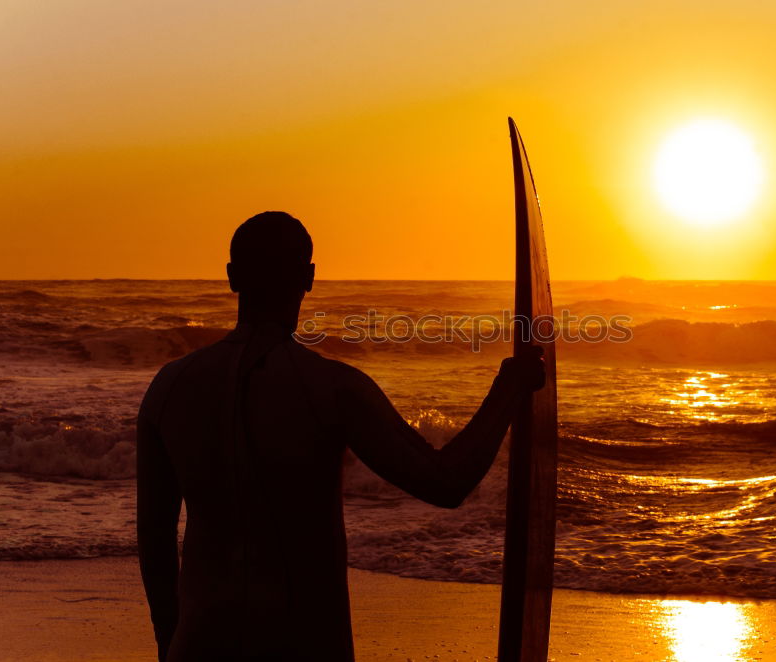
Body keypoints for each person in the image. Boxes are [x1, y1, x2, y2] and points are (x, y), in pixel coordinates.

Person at [136, 211, 545, 662]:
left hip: (198, 644)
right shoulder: (332, 388)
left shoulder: (168, 388)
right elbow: (445, 482)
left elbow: (154, 538)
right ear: (309, 278)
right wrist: (508, 388)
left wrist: (168, 642)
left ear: (232, 277)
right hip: (303, 642)